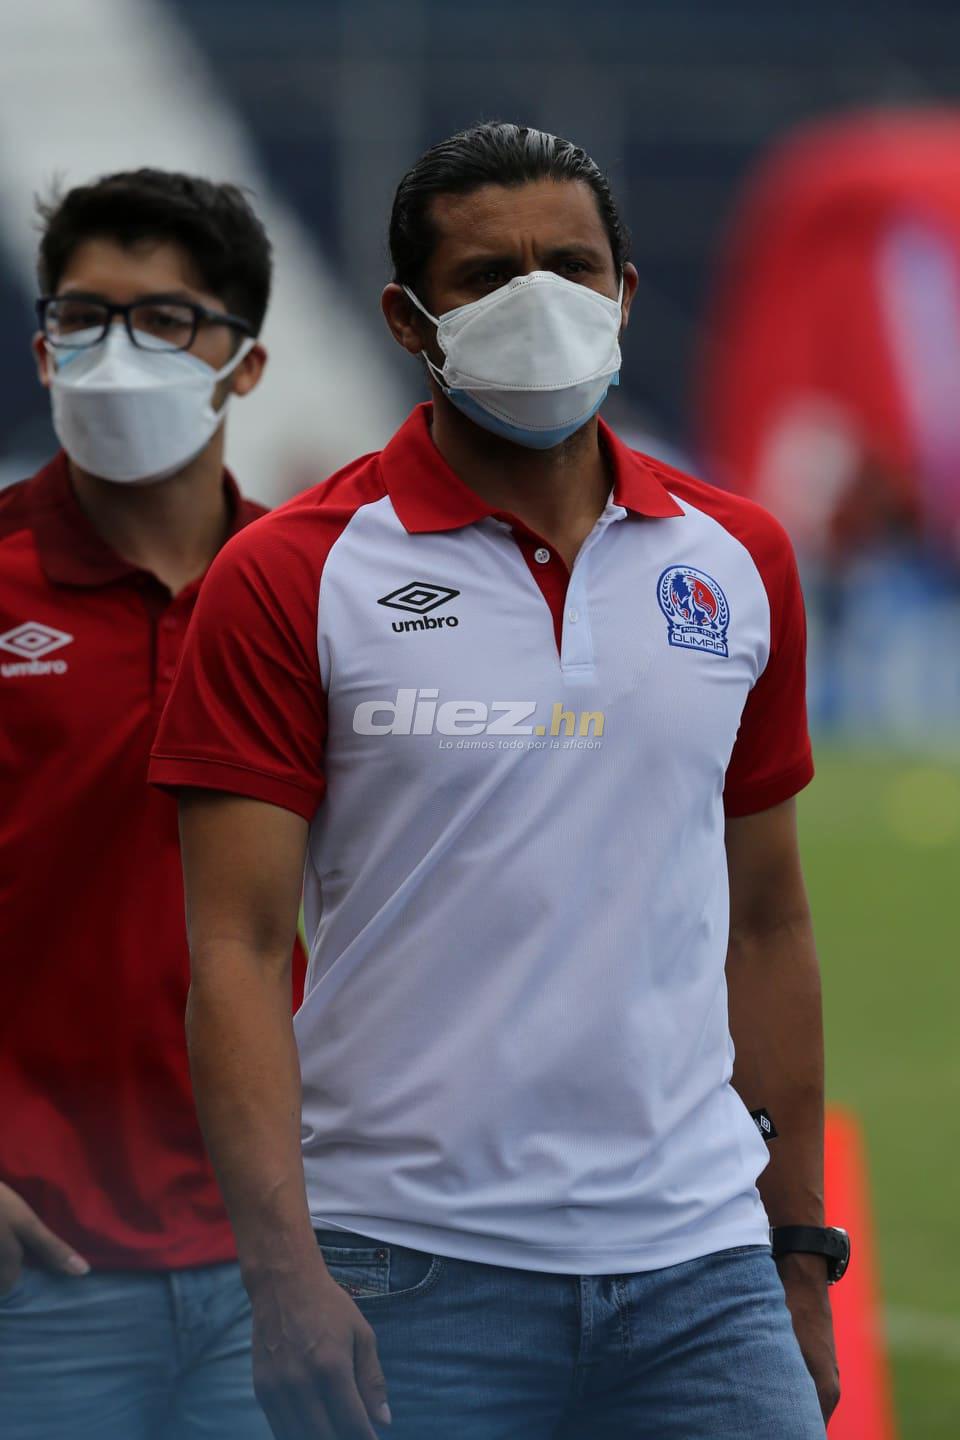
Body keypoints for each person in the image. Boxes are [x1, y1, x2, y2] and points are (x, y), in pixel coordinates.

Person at [149, 123, 843, 1440]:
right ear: (409, 320)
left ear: (628, 292)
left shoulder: (740, 558)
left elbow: (771, 922)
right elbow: (233, 950)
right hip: (406, 1271)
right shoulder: (294, 572)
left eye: (572, 267)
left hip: (702, 1271)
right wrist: (283, 1278)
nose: (540, 302)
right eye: (486, 278)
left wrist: (797, 1250)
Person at [0, 168, 302, 1439]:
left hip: (284, 1265)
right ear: (42, 346)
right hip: (33, 1267)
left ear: (247, 366)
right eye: (86, 315)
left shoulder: (314, 592)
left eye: (167, 320)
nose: (119, 351)